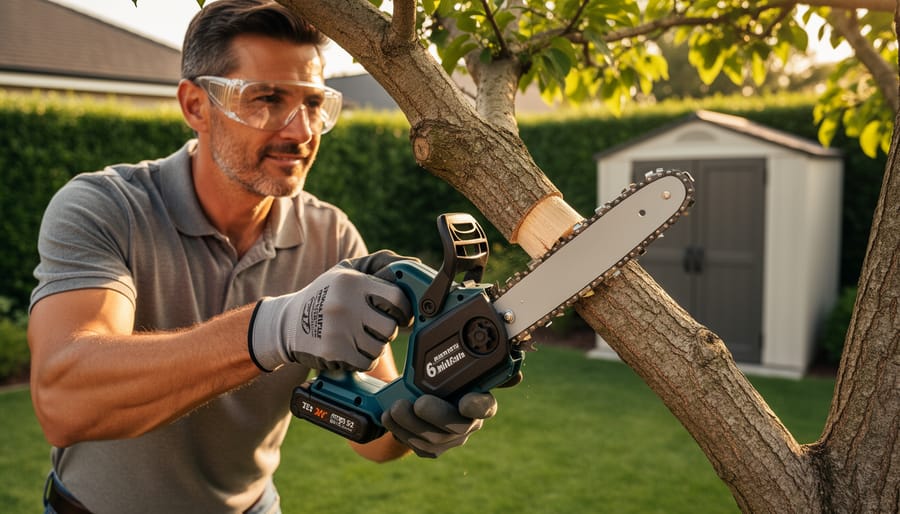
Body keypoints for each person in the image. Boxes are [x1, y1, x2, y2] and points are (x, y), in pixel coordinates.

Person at [27, 1, 500, 512]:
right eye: (267, 99)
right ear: (195, 106)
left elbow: (373, 429)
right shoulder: (105, 207)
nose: (301, 132)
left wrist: (424, 406)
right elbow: (63, 401)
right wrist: (273, 328)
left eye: (314, 103)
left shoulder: (331, 237)